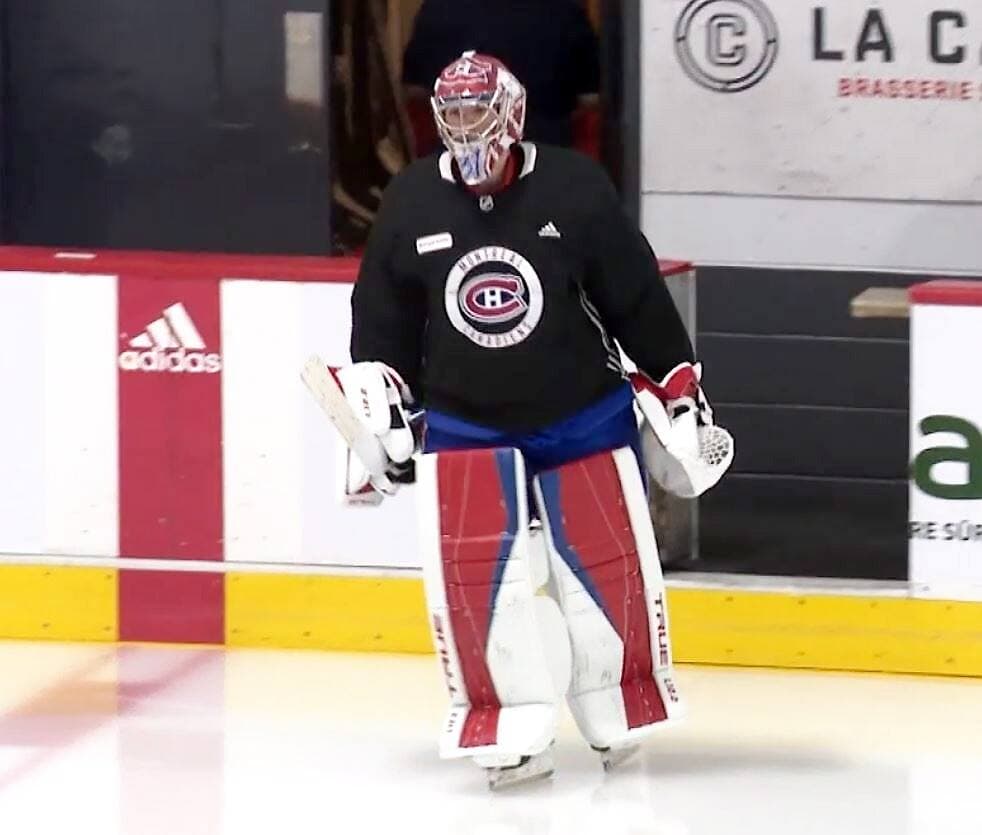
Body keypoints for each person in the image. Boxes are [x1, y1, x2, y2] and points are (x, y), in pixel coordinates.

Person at [333, 52, 730, 788]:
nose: (464, 128)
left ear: (512, 114)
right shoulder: (414, 197)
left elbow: (634, 294)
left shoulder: (573, 187)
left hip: (581, 412)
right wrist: (382, 400)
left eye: (476, 111)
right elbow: (383, 314)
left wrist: (677, 384)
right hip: (464, 423)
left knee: (606, 569)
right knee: (479, 582)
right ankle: (505, 723)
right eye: (451, 114)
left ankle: (621, 705)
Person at [401, 0, 600, 156]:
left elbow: (415, 95)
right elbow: (591, 102)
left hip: (457, 164)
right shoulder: (565, 11)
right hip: (549, 161)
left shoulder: (438, 10)